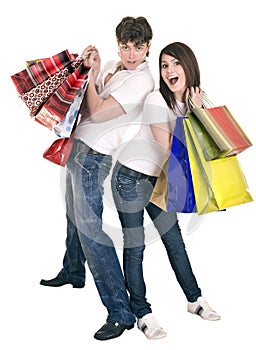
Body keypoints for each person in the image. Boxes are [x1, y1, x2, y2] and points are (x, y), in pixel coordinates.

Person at [40, 16, 155, 341]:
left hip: (93, 156)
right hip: (80, 148)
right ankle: (74, 270)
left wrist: (91, 76)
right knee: (73, 217)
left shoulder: (140, 81)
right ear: (118, 44)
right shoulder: (121, 70)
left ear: (148, 46)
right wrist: (97, 70)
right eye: (124, 46)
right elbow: (91, 107)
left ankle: (120, 312)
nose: (131, 53)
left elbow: (100, 111)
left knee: (91, 230)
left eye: (138, 47)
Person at [111, 41, 221, 340]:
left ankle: (194, 299)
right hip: (131, 178)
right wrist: (196, 115)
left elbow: (212, 145)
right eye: (164, 65)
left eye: (175, 63)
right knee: (136, 247)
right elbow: (171, 152)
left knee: (174, 242)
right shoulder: (156, 100)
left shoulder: (196, 100)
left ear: (189, 66)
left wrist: (199, 110)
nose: (170, 70)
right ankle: (142, 313)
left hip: (159, 180)